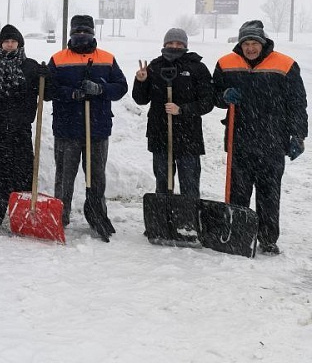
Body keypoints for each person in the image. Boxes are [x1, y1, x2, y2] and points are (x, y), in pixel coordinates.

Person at [212, 20, 307, 255]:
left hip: (273, 140)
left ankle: (267, 238)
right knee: (238, 192)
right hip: (239, 139)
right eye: (246, 43)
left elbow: (297, 102)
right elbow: (212, 95)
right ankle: (238, 233)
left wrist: (299, 135)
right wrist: (224, 96)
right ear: (240, 44)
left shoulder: (285, 64)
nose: (251, 48)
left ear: (263, 43)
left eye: (255, 43)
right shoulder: (226, 63)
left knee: (269, 193)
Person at [46, 15, 128, 228]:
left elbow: (121, 87)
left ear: (93, 34)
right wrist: (72, 94)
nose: (81, 36)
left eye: (85, 32)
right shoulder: (58, 59)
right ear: (71, 34)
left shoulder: (107, 59)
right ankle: (60, 216)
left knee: (97, 177)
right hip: (67, 129)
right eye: (77, 32)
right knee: (64, 178)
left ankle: (97, 214)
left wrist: (101, 89)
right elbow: (48, 90)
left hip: (97, 129)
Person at [0, 25, 49, 231]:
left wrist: (46, 78)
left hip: (21, 130)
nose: (9, 44)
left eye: (13, 41)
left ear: (19, 43)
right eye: (6, 41)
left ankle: (23, 217)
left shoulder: (31, 68)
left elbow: (47, 94)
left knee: (23, 174)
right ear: (1, 44)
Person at [132, 28, 214, 198]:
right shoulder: (154, 66)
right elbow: (141, 99)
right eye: (170, 43)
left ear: (185, 45)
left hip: (188, 137)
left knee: (189, 184)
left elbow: (207, 102)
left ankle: (189, 219)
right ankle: (163, 220)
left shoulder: (197, 68)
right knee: (162, 184)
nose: (174, 46)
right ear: (164, 44)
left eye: (179, 43)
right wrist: (140, 81)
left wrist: (182, 110)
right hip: (160, 134)